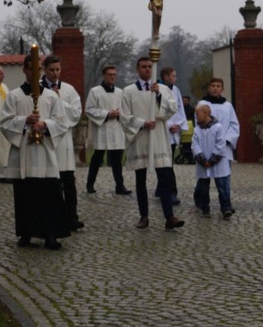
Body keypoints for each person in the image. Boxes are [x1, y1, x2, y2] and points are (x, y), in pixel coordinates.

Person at [0, 54, 71, 249]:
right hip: (23, 153)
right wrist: (24, 121)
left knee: (49, 195)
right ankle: (26, 233)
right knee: (25, 196)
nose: (35, 73)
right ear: (25, 70)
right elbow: (4, 123)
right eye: (31, 69)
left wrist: (44, 125)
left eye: (38, 70)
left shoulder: (50, 96)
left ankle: (51, 235)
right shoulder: (14, 96)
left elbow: (62, 123)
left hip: (45, 153)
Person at [120, 57, 184, 230]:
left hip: (159, 139)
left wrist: (159, 96)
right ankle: (144, 216)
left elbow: (172, 110)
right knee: (140, 180)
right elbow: (124, 117)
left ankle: (169, 217)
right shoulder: (128, 91)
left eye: (150, 67)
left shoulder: (162, 89)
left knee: (164, 178)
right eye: (144, 67)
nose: (147, 69)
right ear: (137, 69)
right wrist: (142, 123)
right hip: (140, 138)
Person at [42, 55, 85, 231]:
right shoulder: (38, 89)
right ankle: (52, 218)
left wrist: (61, 101)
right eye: (51, 70)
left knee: (68, 182)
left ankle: (71, 217)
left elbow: (75, 113)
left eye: (57, 69)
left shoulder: (68, 89)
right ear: (45, 70)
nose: (55, 73)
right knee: (50, 183)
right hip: (47, 140)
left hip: (64, 141)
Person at [84, 65, 130, 195]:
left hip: (116, 128)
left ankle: (120, 186)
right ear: (104, 75)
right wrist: (107, 114)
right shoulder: (95, 91)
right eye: (109, 74)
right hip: (102, 128)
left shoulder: (120, 92)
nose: (112, 76)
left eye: (114, 74)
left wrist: (119, 113)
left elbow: (126, 109)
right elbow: (89, 109)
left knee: (117, 160)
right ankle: (90, 184)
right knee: (97, 158)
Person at [195, 78, 239, 209]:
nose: (215, 88)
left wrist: (225, 139)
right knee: (203, 179)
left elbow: (234, 125)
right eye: (213, 85)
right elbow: (199, 123)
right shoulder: (202, 104)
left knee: (223, 179)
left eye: (218, 86)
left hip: (223, 148)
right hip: (205, 146)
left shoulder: (228, 106)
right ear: (209, 88)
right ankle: (202, 203)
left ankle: (226, 206)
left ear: (222, 89)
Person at [192, 104, 234, 218]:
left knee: (222, 186)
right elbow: (194, 146)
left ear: (206, 113)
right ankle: (205, 207)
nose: (196, 116)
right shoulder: (197, 130)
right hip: (203, 163)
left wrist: (212, 160)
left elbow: (221, 144)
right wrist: (202, 159)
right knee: (203, 187)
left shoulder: (218, 127)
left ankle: (226, 208)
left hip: (218, 163)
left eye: (197, 114)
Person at [159, 66, 187, 205]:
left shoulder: (176, 90)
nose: (175, 78)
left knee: (168, 162)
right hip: (163, 129)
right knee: (166, 164)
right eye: (173, 76)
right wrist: (169, 125)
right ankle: (171, 191)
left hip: (173, 130)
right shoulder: (158, 89)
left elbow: (179, 109)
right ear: (166, 77)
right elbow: (159, 111)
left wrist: (178, 124)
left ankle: (161, 188)